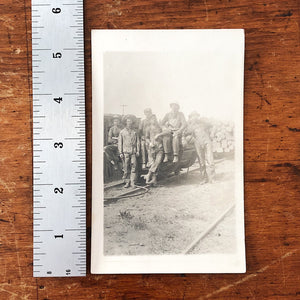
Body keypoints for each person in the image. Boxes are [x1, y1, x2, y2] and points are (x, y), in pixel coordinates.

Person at [186, 111, 215, 183]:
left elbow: (213, 126)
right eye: (193, 116)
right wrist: (190, 138)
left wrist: (212, 133)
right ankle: (204, 179)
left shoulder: (203, 122)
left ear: (198, 116)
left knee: (210, 160)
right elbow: (186, 134)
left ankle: (212, 178)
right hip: (198, 144)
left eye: (196, 116)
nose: (194, 117)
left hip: (207, 142)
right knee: (201, 162)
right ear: (191, 118)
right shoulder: (191, 126)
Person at [118, 116, 140, 188]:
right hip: (126, 152)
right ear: (125, 122)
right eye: (128, 121)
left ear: (132, 122)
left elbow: (138, 142)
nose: (129, 123)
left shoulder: (135, 132)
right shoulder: (122, 132)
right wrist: (120, 152)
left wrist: (138, 151)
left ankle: (133, 182)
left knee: (134, 167)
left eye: (130, 121)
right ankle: (127, 182)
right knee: (126, 167)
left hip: (133, 152)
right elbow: (120, 143)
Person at [143, 116, 164, 185]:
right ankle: (154, 180)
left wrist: (159, 135)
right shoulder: (148, 128)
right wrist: (150, 143)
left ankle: (148, 174)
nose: (154, 120)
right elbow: (146, 138)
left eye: (155, 119)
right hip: (152, 148)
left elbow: (166, 132)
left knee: (157, 162)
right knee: (153, 164)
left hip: (159, 147)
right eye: (152, 119)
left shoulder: (160, 128)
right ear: (150, 120)